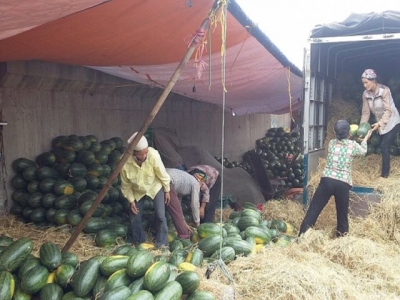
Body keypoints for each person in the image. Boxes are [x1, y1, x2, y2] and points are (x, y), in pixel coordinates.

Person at [299, 120, 372, 237]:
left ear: (336, 133)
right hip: (342, 183)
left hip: (327, 180)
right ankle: (341, 238)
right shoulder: (353, 146)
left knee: (314, 209)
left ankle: (302, 235)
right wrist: (365, 139)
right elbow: (363, 151)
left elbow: (342, 143)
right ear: (348, 133)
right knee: (342, 214)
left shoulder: (332, 143)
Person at [120, 132, 171, 248]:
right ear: (134, 153)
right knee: (134, 216)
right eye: (141, 154)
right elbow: (126, 185)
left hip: (154, 186)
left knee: (160, 215)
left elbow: (162, 173)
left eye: (146, 152)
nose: (145, 156)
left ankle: (162, 243)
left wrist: (167, 190)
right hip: (137, 190)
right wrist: (131, 201)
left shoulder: (153, 155)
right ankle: (139, 242)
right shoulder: (124, 162)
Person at [360, 68, 400, 178]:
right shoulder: (365, 94)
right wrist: (361, 128)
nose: (364, 85)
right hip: (381, 122)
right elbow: (366, 112)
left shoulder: (384, 90)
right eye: (363, 83)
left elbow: (388, 111)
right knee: (384, 146)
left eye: (366, 82)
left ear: (373, 80)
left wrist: (379, 124)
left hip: (392, 120)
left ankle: (385, 175)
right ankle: (385, 171)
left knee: (384, 145)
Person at [165, 168, 203, 239]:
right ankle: (184, 237)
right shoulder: (195, 183)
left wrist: (184, 222)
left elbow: (178, 204)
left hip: (161, 177)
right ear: (201, 182)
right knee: (183, 231)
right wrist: (198, 224)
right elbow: (195, 204)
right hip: (167, 182)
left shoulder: (187, 179)